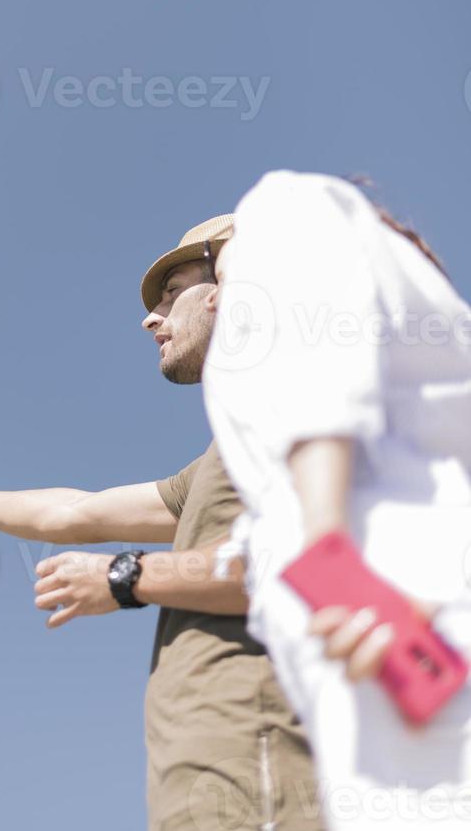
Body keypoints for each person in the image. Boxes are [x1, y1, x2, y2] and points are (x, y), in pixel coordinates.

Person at [0, 215, 323, 831]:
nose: (149, 319)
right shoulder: (221, 462)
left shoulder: (304, 406)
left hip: (264, 774)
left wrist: (125, 576)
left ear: (229, 288)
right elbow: (76, 513)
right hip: (210, 781)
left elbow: (300, 569)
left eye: (172, 292)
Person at [202, 170, 471, 831]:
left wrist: (328, 548)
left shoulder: (281, 205)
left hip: (395, 608)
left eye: (198, 271)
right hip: (388, 628)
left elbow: (320, 380)